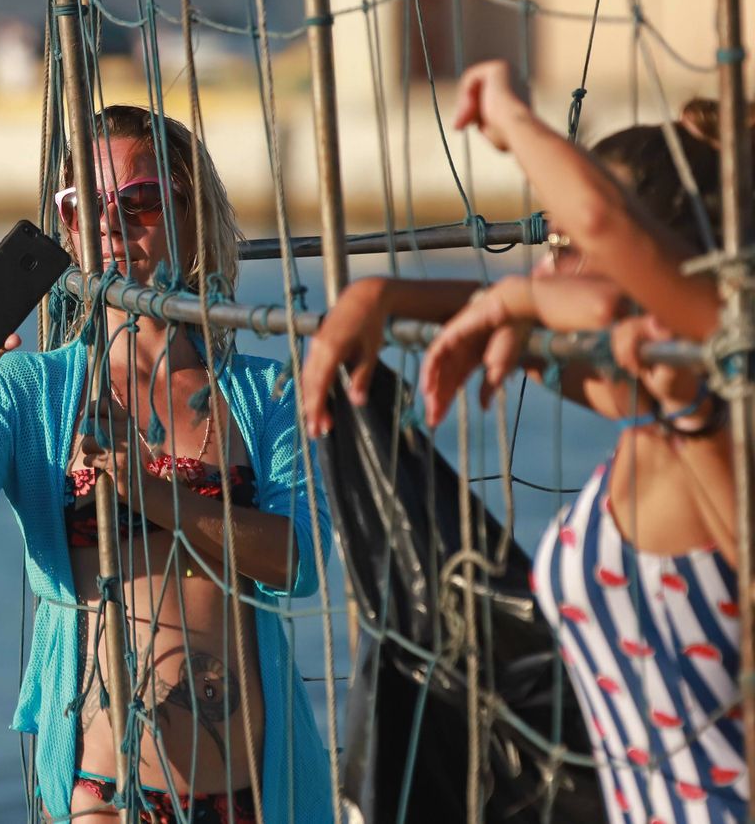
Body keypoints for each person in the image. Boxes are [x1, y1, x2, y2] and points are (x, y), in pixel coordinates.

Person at [304, 58, 745, 824]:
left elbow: (605, 276)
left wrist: (512, 118)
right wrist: (386, 294)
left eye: (562, 245)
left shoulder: (714, 424)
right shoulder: (657, 418)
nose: (544, 267)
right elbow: (555, 318)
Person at [0, 105, 334, 823]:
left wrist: (153, 494)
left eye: (141, 200)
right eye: (85, 206)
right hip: (106, 796)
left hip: (252, 793)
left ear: (192, 216)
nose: (112, 224)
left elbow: (300, 563)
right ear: (67, 226)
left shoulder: (265, 393)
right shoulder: (33, 390)